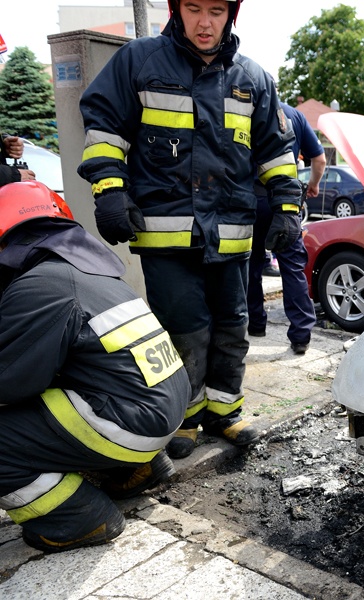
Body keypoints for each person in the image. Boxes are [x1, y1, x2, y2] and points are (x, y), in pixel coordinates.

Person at [77, 0, 304, 459]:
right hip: (166, 236)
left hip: (232, 233)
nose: (205, 22)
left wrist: (286, 207)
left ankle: (226, 412)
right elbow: (104, 128)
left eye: (216, 11)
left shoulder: (253, 79)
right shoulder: (139, 62)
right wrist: (109, 191)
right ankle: (186, 416)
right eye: (194, 8)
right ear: (176, 10)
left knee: (232, 327)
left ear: (231, 14)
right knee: (183, 329)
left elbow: (276, 150)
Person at [0, 181, 190, 552]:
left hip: (130, 423)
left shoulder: (40, 285)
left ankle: (78, 518)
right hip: (163, 411)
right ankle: (136, 469)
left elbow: (8, 381)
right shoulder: (92, 274)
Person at [248, 101, 325, 354]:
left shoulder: (246, 112)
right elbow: (320, 159)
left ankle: (256, 324)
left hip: (252, 199)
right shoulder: (295, 116)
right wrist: (313, 185)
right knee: (292, 266)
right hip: (286, 203)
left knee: (251, 264)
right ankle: (301, 335)